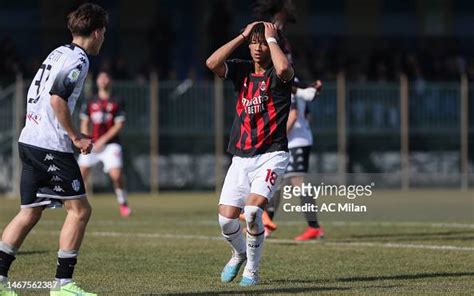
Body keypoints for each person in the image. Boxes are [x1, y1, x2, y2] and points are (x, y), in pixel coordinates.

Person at [0, 3, 107, 296]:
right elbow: (57, 99)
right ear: (97, 33)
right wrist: (74, 137)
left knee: (29, 212)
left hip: (30, 139)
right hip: (51, 146)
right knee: (80, 210)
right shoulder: (79, 60)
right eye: (104, 33)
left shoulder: (57, 52)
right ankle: (63, 285)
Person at [206, 21, 294, 286]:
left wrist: (273, 38)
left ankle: (252, 271)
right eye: (254, 42)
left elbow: (284, 68)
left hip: (271, 154)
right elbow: (211, 63)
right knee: (225, 220)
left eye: (262, 42)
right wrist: (243, 34)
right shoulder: (242, 71)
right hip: (241, 156)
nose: (257, 47)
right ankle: (239, 252)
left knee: (254, 211)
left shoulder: (278, 74)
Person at [266, 81, 325, 240]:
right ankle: (266, 226)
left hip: (295, 142)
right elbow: (307, 115)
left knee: (297, 181)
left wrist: (279, 137)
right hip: (295, 141)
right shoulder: (295, 83)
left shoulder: (285, 81)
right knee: (276, 183)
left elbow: (293, 114)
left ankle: (314, 227)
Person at [78, 71, 131, 217]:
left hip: (110, 144)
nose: (103, 80)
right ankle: (77, 206)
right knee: (80, 175)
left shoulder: (117, 100)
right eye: (100, 77)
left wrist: (102, 140)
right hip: (91, 144)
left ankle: (123, 202)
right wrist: (85, 139)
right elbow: (85, 122)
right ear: (97, 82)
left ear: (110, 81)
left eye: (106, 77)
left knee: (116, 175)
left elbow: (119, 125)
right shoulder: (90, 100)